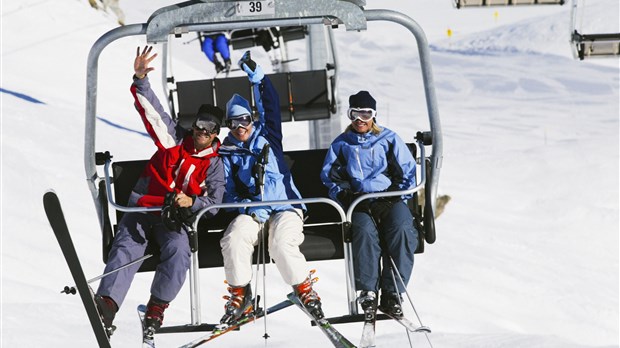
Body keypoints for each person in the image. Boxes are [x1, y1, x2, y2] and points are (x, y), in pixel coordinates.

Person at [94, 46, 226, 337]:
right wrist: (141, 79)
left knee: (180, 251)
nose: (200, 131)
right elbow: (153, 113)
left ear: (216, 133)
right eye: (198, 124)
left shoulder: (215, 165)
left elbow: (215, 202)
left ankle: (157, 307)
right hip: (144, 206)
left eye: (208, 128)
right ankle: (107, 303)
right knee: (127, 246)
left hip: (174, 218)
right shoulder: (173, 141)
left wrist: (191, 201)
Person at [217, 51, 324, 325]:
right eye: (234, 122)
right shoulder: (227, 153)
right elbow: (228, 192)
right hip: (254, 213)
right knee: (234, 236)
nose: (241, 127)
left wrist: (258, 78)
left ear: (252, 120)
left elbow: (271, 105)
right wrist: (248, 207)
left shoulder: (268, 139)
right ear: (228, 126)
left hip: (285, 207)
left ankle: (304, 290)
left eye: (245, 120)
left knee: (280, 243)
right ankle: (241, 294)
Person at [320, 91, 419, 318]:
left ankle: (392, 293)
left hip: (389, 199)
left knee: (403, 229)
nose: (360, 120)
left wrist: (396, 195)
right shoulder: (342, 144)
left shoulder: (388, 139)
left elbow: (407, 171)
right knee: (363, 232)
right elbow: (330, 176)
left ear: (374, 115)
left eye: (366, 114)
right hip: (359, 201)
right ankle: (368, 291)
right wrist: (345, 195)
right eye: (355, 114)